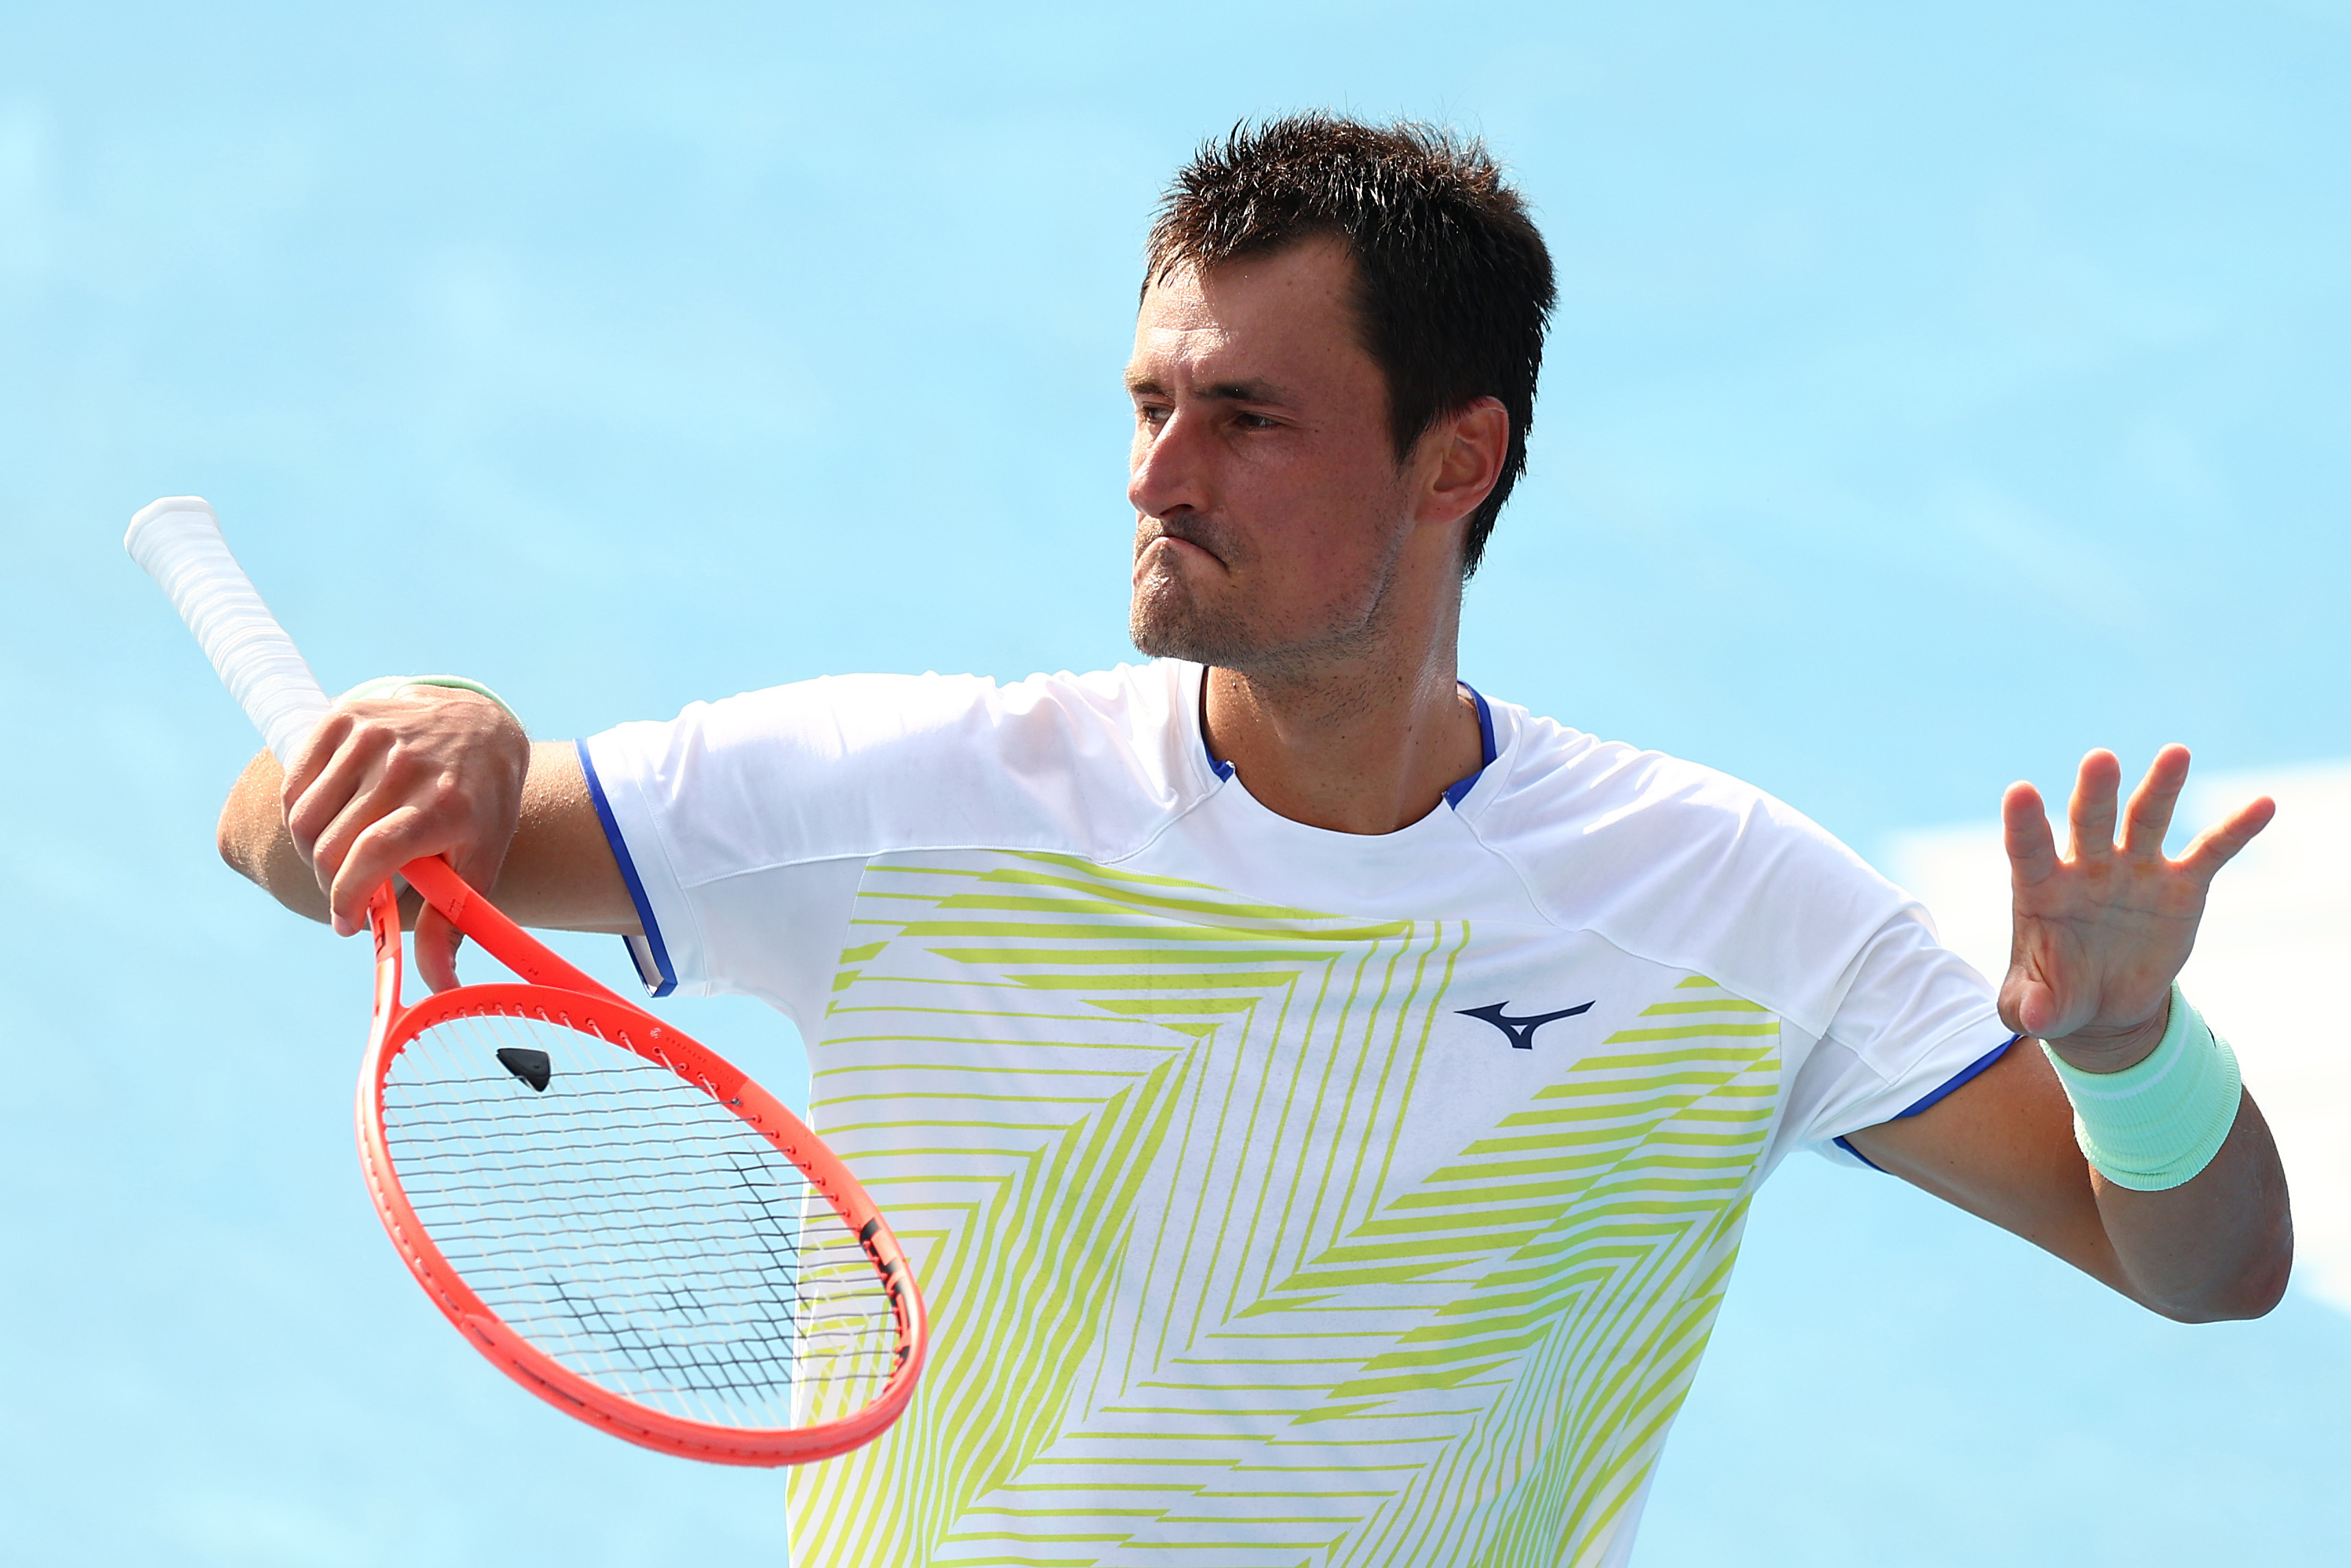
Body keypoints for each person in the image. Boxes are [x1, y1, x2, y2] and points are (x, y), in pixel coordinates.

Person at [216, 114, 2291, 1567]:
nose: (1161, 471)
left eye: (1247, 417)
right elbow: (305, 839)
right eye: (1147, 405)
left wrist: (2126, 1054)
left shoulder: (1727, 904)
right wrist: (447, 744)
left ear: (1453, 459)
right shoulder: (909, 797)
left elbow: (2205, 1269)